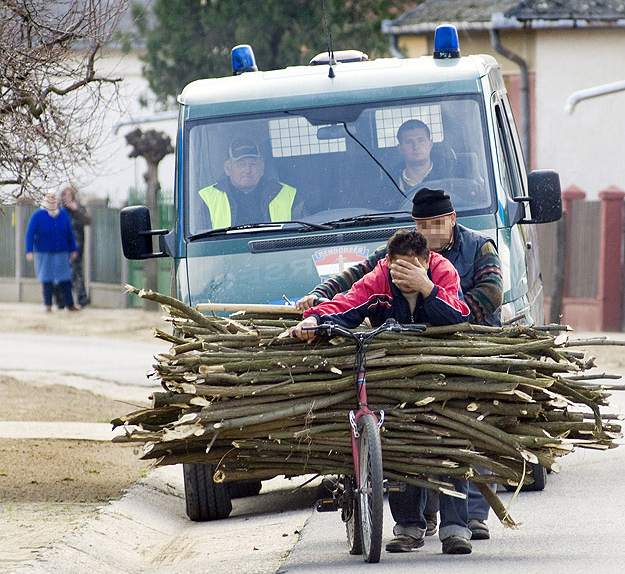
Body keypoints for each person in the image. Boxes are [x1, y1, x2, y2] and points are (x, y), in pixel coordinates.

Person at [296, 187, 504, 539]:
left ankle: (467, 518)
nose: (431, 233)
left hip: (464, 349)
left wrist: (430, 294)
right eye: (423, 225)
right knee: (401, 427)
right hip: (400, 356)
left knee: (461, 425)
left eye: (438, 224)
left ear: (453, 220)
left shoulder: (468, 254)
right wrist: (317, 309)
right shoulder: (390, 257)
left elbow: (487, 296)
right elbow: (352, 288)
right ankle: (411, 522)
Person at [198, 138, 304, 229]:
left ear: (262, 168)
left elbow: (304, 233)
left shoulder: (288, 195)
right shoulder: (207, 198)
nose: (247, 170)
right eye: (241, 164)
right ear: (228, 168)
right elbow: (200, 244)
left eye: (252, 164)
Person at [381, 119, 458, 210]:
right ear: (400, 149)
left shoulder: (451, 174)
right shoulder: (388, 186)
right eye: (409, 142)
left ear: (430, 144)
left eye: (421, 140)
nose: (416, 147)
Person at [25, 192, 79, 312]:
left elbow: (70, 233)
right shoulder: (38, 215)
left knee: (65, 279)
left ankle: (70, 305)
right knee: (47, 280)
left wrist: (73, 248)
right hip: (44, 253)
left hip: (62, 252)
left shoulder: (63, 214)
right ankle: (48, 305)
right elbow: (30, 234)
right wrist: (29, 250)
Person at [55, 186, 91, 308]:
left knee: (76, 271)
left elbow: (88, 221)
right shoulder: (59, 211)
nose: (67, 198)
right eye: (65, 195)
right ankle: (61, 301)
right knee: (60, 271)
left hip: (77, 245)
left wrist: (76, 210)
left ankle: (81, 299)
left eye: (70, 195)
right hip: (62, 245)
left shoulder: (78, 209)